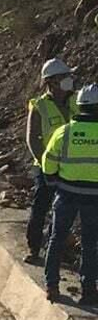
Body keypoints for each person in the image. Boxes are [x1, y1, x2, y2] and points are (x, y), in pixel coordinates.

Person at [42, 81, 98, 305]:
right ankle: (88, 290)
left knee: (57, 238)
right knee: (90, 243)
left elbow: (48, 162)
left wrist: (53, 182)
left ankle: (52, 286)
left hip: (65, 194)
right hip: (93, 198)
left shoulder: (63, 132)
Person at [27, 57, 77, 263]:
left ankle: (58, 247)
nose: (70, 80)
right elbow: (33, 140)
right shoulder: (40, 106)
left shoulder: (77, 101)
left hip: (71, 168)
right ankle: (34, 248)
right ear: (53, 82)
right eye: (65, 77)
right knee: (41, 208)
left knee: (66, 213)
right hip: (47, 169)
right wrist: (48, 167)